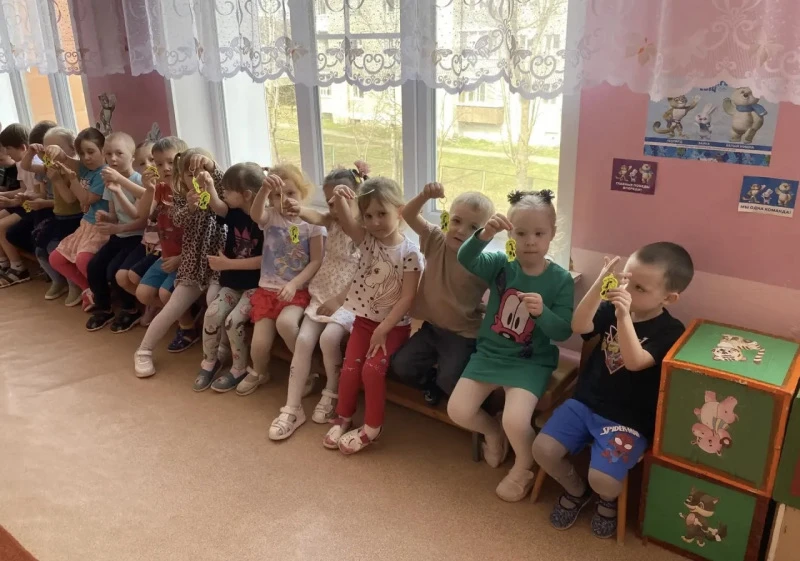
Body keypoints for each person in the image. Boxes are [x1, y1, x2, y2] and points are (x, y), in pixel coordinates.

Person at [532, 243, 693, 539]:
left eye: (640, 288)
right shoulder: (611, 309)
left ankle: (606, 500)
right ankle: (576, 490)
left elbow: (634, 362)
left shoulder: (670, 330)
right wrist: (599, 285)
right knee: (542, 449)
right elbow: (579, 325)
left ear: (669, 298)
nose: (627, 290)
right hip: (585, 402)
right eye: (626, 280)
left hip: (628, 419)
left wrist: (624, 316)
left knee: (604, 480)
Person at [447, 189, 574, 502]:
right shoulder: (502, 264)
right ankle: (493, 432)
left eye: (539, 233)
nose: (530, 241)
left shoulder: (561, 280)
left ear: (552, 234)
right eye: (521, 233)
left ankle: (524, 466)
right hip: (490, 354)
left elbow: (562, 332)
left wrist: (542, 313)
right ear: (510, 234)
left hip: (531, 361)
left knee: (516, 421)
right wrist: (485, 233)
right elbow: (465, 257)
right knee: (458, 410)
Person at [322, 177, 423, 455]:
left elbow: (408, 297)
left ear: (399, 212)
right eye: (368, 216)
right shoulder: (366, 241)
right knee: (350, 368)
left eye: (382, 213)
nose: (375, 222)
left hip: (393, 328)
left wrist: (384, 329)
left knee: (372, 370)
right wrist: (340, 196)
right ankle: (343, 416)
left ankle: (372, 427)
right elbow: (347, 221)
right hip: (364, 322)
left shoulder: (410, 252)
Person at [267, 162, 366, 440]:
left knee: (329, 338)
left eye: (338, 201)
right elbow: (315, 216)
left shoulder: (364, 229)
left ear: (354, 198)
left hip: (349, 298)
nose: (332, 207)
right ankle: (292, 408)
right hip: (322, 290)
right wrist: (298, 208)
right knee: (303, 340)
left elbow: (365, 272)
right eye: (329, 200)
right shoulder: (332, 220)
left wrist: (339, 300)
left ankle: (331, 391)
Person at [391, 182, 494, 406]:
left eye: (473, 228)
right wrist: (424, 195)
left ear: (485, 234)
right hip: (431, 328)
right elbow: (408, 214)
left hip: (462, 335)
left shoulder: (483, 262)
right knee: (401, 365)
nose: (461, 231)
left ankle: (448, 385)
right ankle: (431, 382)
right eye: (456, 221)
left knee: (449, 380)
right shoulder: (436, 239)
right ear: (448, 219)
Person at [134, 148, 226, 377]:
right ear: (181, 177)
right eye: (190, 174)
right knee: (172, 307)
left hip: (219, 265)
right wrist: (191, 205)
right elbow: (177, 218)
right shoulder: (181, 197)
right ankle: (143, 350)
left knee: (215, 302)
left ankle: (222, 348)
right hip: (192, 264)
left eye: (202, 171)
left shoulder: (220, 191)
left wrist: (211, 168)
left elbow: (222, 205)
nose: (197, 178)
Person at [233, 164, 324, 397]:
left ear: (302, 193)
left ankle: (307, 370)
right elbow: (255, 214)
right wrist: (264, 190)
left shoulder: (312, 223)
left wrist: (294, 284)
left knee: (287, 324)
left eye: (290, 193)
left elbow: (316, 261)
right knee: (259, 344)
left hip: (296, 291)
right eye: (277, 195)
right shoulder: (271, 216)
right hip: (267, 292)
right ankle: (259, 372)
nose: (283, 200)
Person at [192, 162, 264, 392]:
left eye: (228, 190)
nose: (224, 193)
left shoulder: (265, 221)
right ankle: (209, 362)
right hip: (232, 283)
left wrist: (228, 264)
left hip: (256, 286)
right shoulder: (234, 212)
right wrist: (210, 185)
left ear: (246, 195)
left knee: (234, 322)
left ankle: (239, 368)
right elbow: (218, 206)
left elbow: (265, 260)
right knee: (212, 313)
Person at [84, 132, 147, 332]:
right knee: (94, 265)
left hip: (136, 237)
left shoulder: (139, 182)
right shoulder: (109, 182)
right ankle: (104, 307)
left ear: (132, 157)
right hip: (118, 236)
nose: (113, 159)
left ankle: (130, 310)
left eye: (119, 153)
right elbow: (115, 214)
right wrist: (105, 216)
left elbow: (139, 218)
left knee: (114, 270)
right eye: (108, 154)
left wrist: (116, 226)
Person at [127, 137, 189, 331]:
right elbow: (142, 214)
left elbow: (201, 235)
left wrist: (181, 258)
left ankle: (187, 325)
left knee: (165, 293)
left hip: (187, 258)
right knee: (143, 294)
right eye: (159, 164)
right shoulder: (160, 188)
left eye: (171, 162)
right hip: (166, 254)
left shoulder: (190, 192)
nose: (166, 168)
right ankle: (178, 313)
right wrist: (149, 189)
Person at [47, 127, 110, 311]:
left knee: (83, 260)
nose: (86, 157)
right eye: (82, 154)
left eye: (91, 152)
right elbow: (67, 160)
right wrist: (57, 152)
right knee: (56, 259)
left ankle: (101, 294)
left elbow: (86, 199)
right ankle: (89, 289)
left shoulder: (104, 173)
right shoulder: (87, 169)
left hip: (101, 227)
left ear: (103, 151)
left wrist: (72, 179)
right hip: (86, 225)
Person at [21, 126, 82, 303]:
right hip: (58, 218)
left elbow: (70, 200)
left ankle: (74, 284)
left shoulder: (73, 170)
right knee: (40, 248)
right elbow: (26, 166)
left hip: (74, 220)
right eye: (48, 148)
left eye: (56, 148)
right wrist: (31, 152)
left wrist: (56, 179)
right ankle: (58, 281)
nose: (51, 152)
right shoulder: (50, 166)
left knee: (56, 250)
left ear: (72, 148)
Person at [2, 121, 57, 290]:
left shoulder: (39, 165)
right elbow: (26, 190)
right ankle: (6, 263)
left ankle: (18, 267)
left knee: (5, 227)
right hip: (28, 203)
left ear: (23, 147)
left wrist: (17, 200)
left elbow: (37, 194)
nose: (6, 153)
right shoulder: (22, 164)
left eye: (8, 149)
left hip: (35, 206)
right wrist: (11, 199)